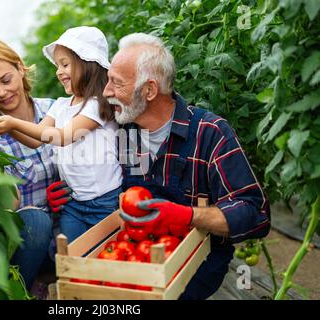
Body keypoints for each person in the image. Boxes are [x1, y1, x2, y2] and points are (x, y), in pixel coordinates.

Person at [102, 33, 271, 300]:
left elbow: (255, 212)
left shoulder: (210, 132)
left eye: (116, 83)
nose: (106, 91)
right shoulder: (124, 132)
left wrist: (185, 216)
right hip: (140, 251)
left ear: (149, 90)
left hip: (197, 260)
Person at [0, 27, 123, 243]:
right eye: (57, 65)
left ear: (88, 64)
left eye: (65, 64)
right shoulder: (60, 106)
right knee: (67, 252)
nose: (58, 72)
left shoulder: (95, 106)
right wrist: (8, 127)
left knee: (103, 251)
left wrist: (11, 123)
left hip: (105, 201)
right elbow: (37, 139)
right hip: (74, 203)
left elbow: (62, 136)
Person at [0, 39, 72, 295]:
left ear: (20, 69)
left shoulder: (56, 110)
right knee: (35, 220)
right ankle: (19, 290)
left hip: (67, 231)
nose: (1, 93)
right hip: (27, 242)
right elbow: (7, 206)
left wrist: (70, 190)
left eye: (5, 80)